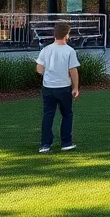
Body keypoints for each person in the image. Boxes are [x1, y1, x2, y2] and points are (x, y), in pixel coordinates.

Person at [36, 20, 80, 153]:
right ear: (66, 35)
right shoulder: (69, 51)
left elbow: (39, 69)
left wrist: (48, 73)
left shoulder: (46, 49)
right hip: (64, 87)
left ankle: (45, 144)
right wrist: (75, 87)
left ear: (54, 34)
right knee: (67, 114)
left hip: (48, 87)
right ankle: (66, 142)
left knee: (48, 114)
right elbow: (73, 70)